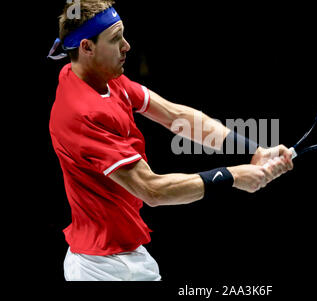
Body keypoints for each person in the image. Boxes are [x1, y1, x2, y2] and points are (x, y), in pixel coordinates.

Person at [48, 0, 293, 281]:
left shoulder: (100, 76)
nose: (126, 46)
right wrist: (234, 177)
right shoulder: (81, 113)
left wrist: (253, 151)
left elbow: (176, 117)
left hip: (126, 255)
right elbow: (152, 190)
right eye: (116, 39)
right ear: (86, 48)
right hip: (101, 268)